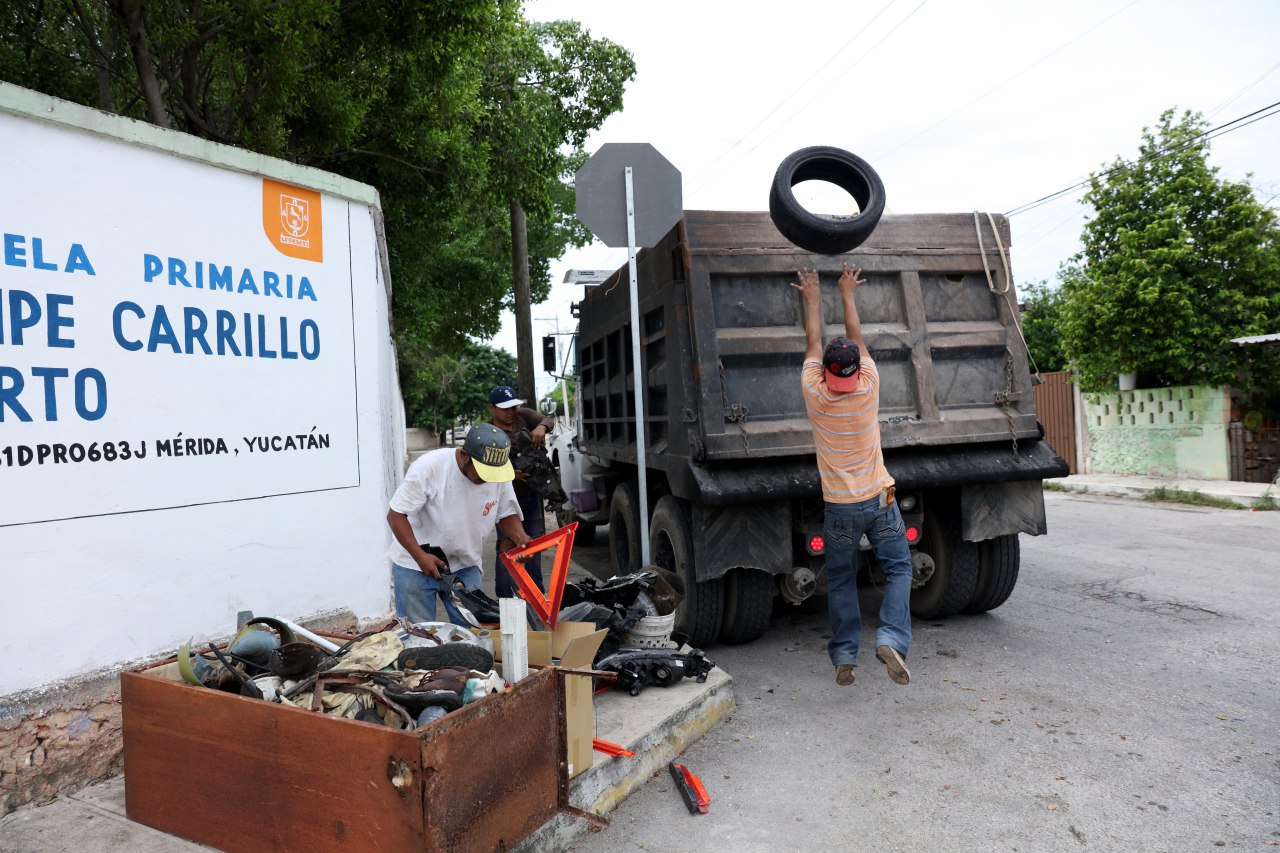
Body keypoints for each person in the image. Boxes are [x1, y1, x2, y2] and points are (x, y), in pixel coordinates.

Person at [793, 264, 912, 687]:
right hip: (880, 500)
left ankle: (845, 657)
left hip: (839, 510)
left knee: (842, 579)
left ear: (826, 373)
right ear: (857, 370)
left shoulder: (814, 393)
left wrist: (812, 296)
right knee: (898, 569)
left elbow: (811, 342)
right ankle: (892, 640)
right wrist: (849, 292)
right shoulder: (869, 386)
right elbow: (857, 338)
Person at [386, 423, 531, 626]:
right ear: (464, 455)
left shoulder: (496, 472)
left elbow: (506, 512)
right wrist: (420, 556)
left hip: (465, 564)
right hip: (414, 564)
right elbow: (396, 515)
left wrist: (520, 538)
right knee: (420, 636)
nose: (489, 479)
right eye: (483, 472)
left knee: (472, 635)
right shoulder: (430, 467)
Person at [486, 385, 553, 597]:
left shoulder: (523, 416)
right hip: (504, 503)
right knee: (508, 549)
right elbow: (481, 468)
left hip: (531, 497)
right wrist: (509, 474)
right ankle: (505, 600)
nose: (511, 411)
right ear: (492, 408)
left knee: (533, 548)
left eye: (513, 406)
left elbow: (547, 420)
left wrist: (541, 427)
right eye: (505, 408)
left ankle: (536, 598)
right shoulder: (486, 432)